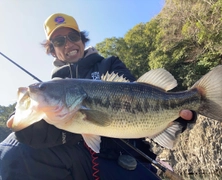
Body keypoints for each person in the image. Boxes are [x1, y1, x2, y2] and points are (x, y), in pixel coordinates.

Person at [0, 13, 196, 180]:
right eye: (59, 41)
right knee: (12, 149)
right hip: (75, 160)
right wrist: (41, 133)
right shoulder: (53, 88)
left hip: (125, 156)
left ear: (82, 39)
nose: (68, 43)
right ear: (52, 50)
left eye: (73, 36)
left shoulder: (109, 64)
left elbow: (137, 97)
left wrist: (176, 116)